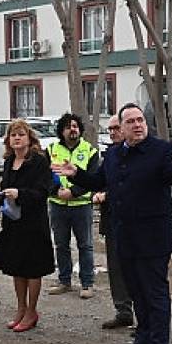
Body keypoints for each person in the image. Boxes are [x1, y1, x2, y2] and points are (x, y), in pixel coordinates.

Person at [53, 103, 172, 344]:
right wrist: (76, 174)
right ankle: (142, 341)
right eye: (130, 121)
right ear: (121, 127)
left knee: (155, 293)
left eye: (140, 120)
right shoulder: (114, 154)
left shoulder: (162, 150)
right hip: (125, 235)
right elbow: (98, 181)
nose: (137, 125)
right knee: (136, 292)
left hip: (153, 237)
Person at [0, 119, 55, 333]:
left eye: (21, 134)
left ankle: (32, 311)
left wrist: (20, 194)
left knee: (33, 268)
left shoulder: (39, 161)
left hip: (33, 223)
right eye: (13, 135)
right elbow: (5, 186)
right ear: (8, 140)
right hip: (12, 222)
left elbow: (42, 192)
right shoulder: (8, 161)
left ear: (30, 139)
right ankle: (20, 309)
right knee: (16, 267)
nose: (17, 138)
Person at [46, 113, 100, 298]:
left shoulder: (90, 150)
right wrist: (56, 191)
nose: (73, 129)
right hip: (58, 205)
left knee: (85, 245)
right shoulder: (51, 149)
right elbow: (44, 176)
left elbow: (93, 177)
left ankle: (87, 284)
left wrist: (74, 192)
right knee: (61, 245)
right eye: (69, 126)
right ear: (62, 131)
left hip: (81, 205)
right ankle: (64, 281)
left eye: (76, 126)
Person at [92, 115, 133, 329]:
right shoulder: (109, 156)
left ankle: (144, 318)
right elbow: (99, 180)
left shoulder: (140, 154)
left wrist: (108, 194)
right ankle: (123, 310)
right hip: (112, 220)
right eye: (109, 130)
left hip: (136, 223)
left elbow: (135, 185)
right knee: (115, 268)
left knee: (136, 271)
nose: (113, 133)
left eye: (116, 128)